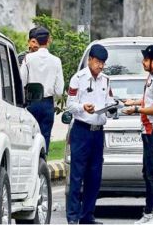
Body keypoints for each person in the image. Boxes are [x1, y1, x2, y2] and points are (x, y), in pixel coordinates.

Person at [66, 44, 116, 224]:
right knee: (77, 175)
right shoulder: (78, 78)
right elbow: (69, 105)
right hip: (81, 131)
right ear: (90, 60)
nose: (100, 66)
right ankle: (72, 217)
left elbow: (109, 102)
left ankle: (87, 215)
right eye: (97, 62)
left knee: (94, 176)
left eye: (103, 63)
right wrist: (82, 107)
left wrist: (112, 109)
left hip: (97, 133)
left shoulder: (106, 80)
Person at [122, 45, 153, 224]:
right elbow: (150, 100)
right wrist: (133, 101)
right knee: (147, 172)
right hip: (148, 130)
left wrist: (135, 109)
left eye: (146, 59)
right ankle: (148, 213)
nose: (143, 62)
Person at [20, 26, 64, 154]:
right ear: (48, 40)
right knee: (45, 139)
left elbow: (22, 82)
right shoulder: (56, 61)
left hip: (31, 102)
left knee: (30, 138)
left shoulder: (28, 59)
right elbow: (59, 90)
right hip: (47, 104)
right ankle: (42, 166)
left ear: (36, 41)